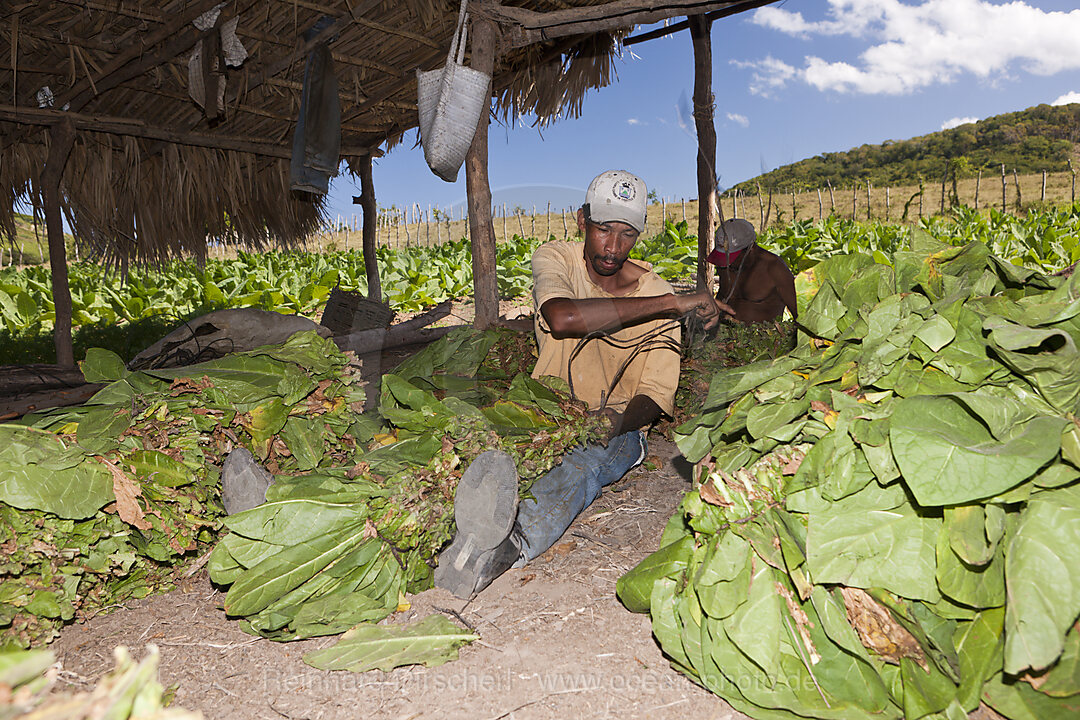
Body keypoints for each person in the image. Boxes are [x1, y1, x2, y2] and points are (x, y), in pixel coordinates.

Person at [435, 169, 732, 599]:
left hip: (617, 427)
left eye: (627, 234)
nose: (613, 247)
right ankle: (447, 531)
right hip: (542, 407)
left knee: (584, 464)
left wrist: (611, 421)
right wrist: (671, 304)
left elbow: (654, 396)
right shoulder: (557, 259)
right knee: (481, 450)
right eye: (603, 230)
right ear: (581, 221)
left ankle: (508, 545)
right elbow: (562, 317)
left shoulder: (654, 289)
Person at [708, 218, 798, 323]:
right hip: (725, 332)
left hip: (763, 336)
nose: (727, 263)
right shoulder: (724, 266)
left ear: (750, 249)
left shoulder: (774, 268)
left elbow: (799, 314)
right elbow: (723, 296)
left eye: (732, 258)